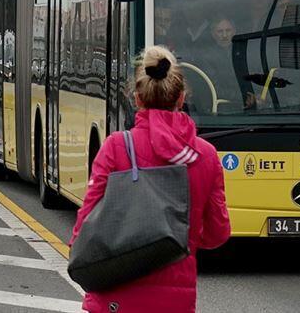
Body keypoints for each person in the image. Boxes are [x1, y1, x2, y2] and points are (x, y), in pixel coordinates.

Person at [70, 45, 231, 313]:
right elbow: (217, 233)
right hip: (175, 302)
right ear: (181, 98)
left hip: (114, 294)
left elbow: (86, 221)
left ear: (137, 99)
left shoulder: (116, 147)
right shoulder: (206, 156)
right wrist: (181, 236)